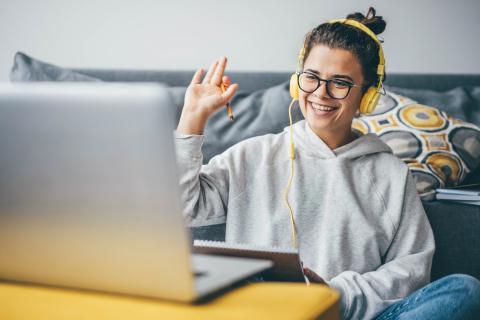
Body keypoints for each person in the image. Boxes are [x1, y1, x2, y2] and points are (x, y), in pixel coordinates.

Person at [174, 7, 480, 320]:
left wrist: (333, 294)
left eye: (340, 82)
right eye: (312, 78)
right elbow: (182, 206)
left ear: (367, 97)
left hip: (346, 315)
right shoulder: (250, 155)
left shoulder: (391, 175)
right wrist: (192, 117)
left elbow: (412, 270)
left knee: (465, 290)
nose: (321, 92)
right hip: (263, 314)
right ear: (297, 82)